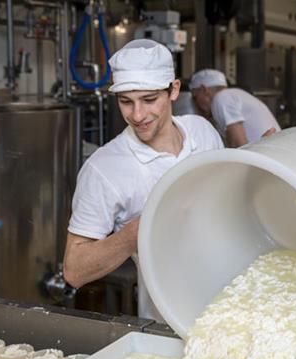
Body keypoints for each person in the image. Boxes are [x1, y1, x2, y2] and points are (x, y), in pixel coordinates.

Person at [63, 39, 224, 320]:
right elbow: (74, 270)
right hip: (168, 320)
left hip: (232, 298)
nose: (137, 115)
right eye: (126, 101)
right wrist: (133, 235)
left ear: (173, 90)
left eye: (149, 100)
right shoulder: (104, 169)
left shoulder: (202, 132)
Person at [189, 69, 280, 147]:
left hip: (268, 160)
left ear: (204, 89)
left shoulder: (222, 97)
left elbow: (238, 144)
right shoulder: (234, 94)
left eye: (195, 97)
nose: (196, 104)